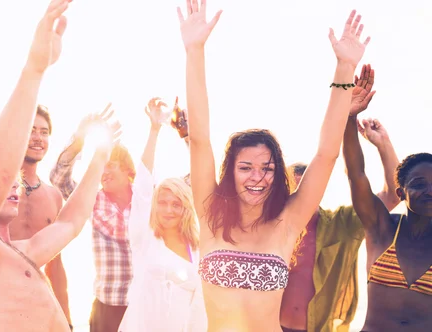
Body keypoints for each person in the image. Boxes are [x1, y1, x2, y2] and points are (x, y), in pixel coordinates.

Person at [177, 0, 371, 330]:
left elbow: (326, 155)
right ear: (230, 172)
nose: (257, 177)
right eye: (246, 167)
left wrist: (343, 70)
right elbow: (199, 139)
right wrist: (194, 50)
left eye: (267, 168)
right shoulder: (210, 214)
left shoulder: (288, 221)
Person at [0, 1, 110, 331]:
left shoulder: (22, 251)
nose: (13, 184)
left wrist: (100, 157)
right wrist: (35, 69)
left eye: (15, 181)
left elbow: (70, 223)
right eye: (8, 182)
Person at [280, 65, 401, 332]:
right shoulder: (269, 225)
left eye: (307, 188)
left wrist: (384, 144)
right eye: (293, 189)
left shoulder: (340, 224)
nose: (302, 196)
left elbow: (394, 195)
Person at [118, 97, 207, 332]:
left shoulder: (196, 248)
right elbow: (143, 188)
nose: (169, 209)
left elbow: (203, 180)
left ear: (185, 209)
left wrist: (188, 137)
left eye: (176, 204)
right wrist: (154, 130)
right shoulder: (144, 237)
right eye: (163, 202)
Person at [344, 99, 432, 330]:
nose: (429, 191)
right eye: (419, 184)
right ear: (401, 193)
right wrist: (349, 116)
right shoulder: (382, 227)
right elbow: (356, 174)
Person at [50, 107, 134, 332]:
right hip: (105, 309)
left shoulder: (150, 200)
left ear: (129, 172)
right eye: (101, 166)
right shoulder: (92, 199)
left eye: (111, 166)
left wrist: (186, 136)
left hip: (141, 305)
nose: (103, 172)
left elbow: (189, 186)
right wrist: (79, 138)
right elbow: (59, 179)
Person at [8, 105, 72, 328]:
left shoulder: (54, 196)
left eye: (44, 132)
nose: (38, 138)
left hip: (37, 303)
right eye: (30, 130)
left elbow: (55, 265)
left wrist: (67, 321)